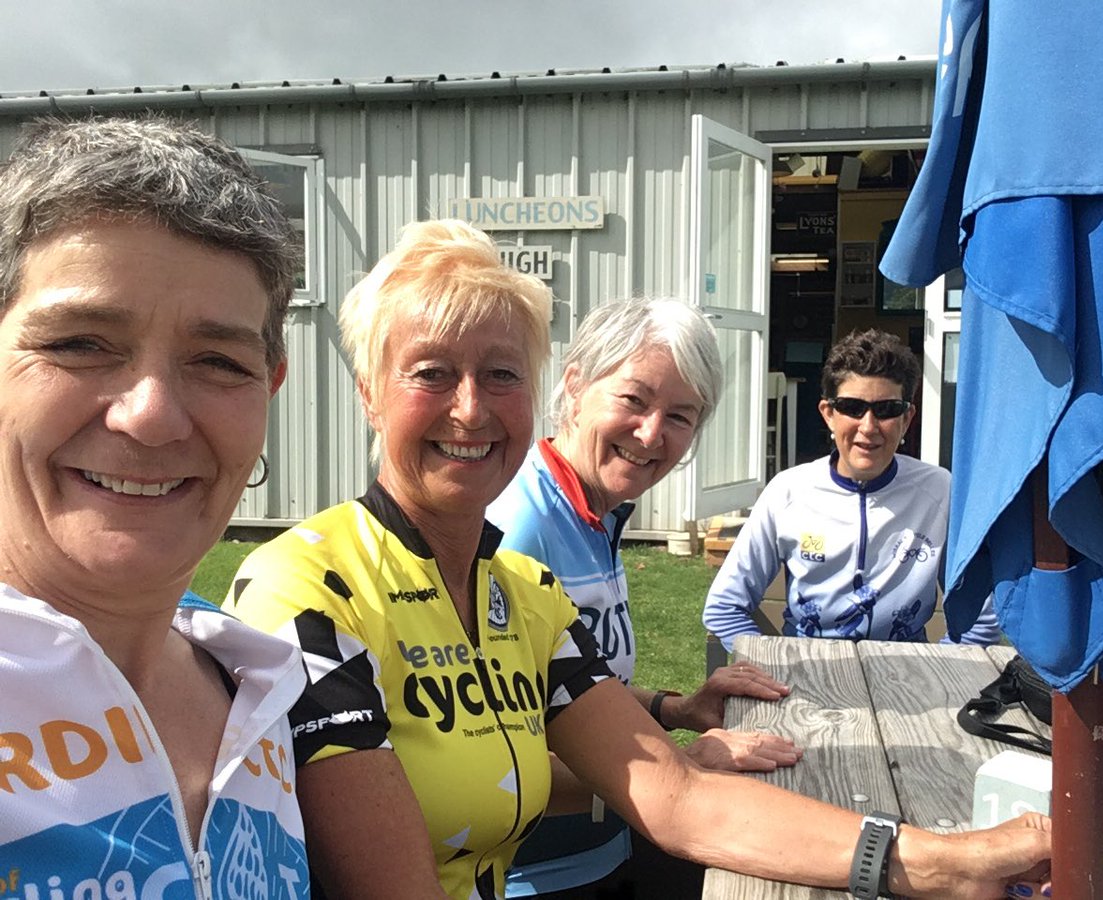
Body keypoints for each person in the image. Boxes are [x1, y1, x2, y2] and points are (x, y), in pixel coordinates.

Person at [226, 219, 1051, 900]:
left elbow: (679, 796)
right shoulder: (306, 584)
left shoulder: (525, 592)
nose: (471, 409)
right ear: (369, 392)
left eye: (502, 373)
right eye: (432, 373)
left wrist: (942, 861)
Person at [0, 117, 311, 897]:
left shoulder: (259, 684)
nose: (152, 414)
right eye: (79, 343)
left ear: (269, 390)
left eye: (218, 361)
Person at [487, 297, 798, 897]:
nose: (653, 433)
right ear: (575, 385)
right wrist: (681, 766)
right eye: (633, 399)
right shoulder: (519, 530)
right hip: (534, 875)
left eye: (681, 416)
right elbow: (496, 759)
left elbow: (564, 688)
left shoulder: (593, 513)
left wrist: (675, 710)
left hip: (608, 844)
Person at [704, 329, 1000, 650]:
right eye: (852, 407)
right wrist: (775, 670)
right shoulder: (787, 492)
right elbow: (724, 606)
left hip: (908, 674)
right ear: (828, 414)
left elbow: (981, 620)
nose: (869, 426)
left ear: (907, 418)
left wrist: (929, 675)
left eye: (886, 409)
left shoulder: (940, 491)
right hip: (807, 670)